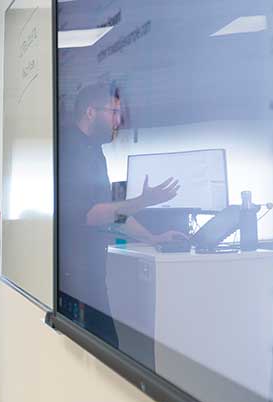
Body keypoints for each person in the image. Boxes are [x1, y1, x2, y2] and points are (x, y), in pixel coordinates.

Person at [57, 83, 186, 346]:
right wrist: (142, 201)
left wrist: (153, 238)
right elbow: (89, 215)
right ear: (91, 112)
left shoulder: (94, 152)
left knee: (106, 348)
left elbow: (110, 215)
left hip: (90, 277)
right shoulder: (70, 148)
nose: (119, 119)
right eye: (113, 112)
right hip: (74, 280)